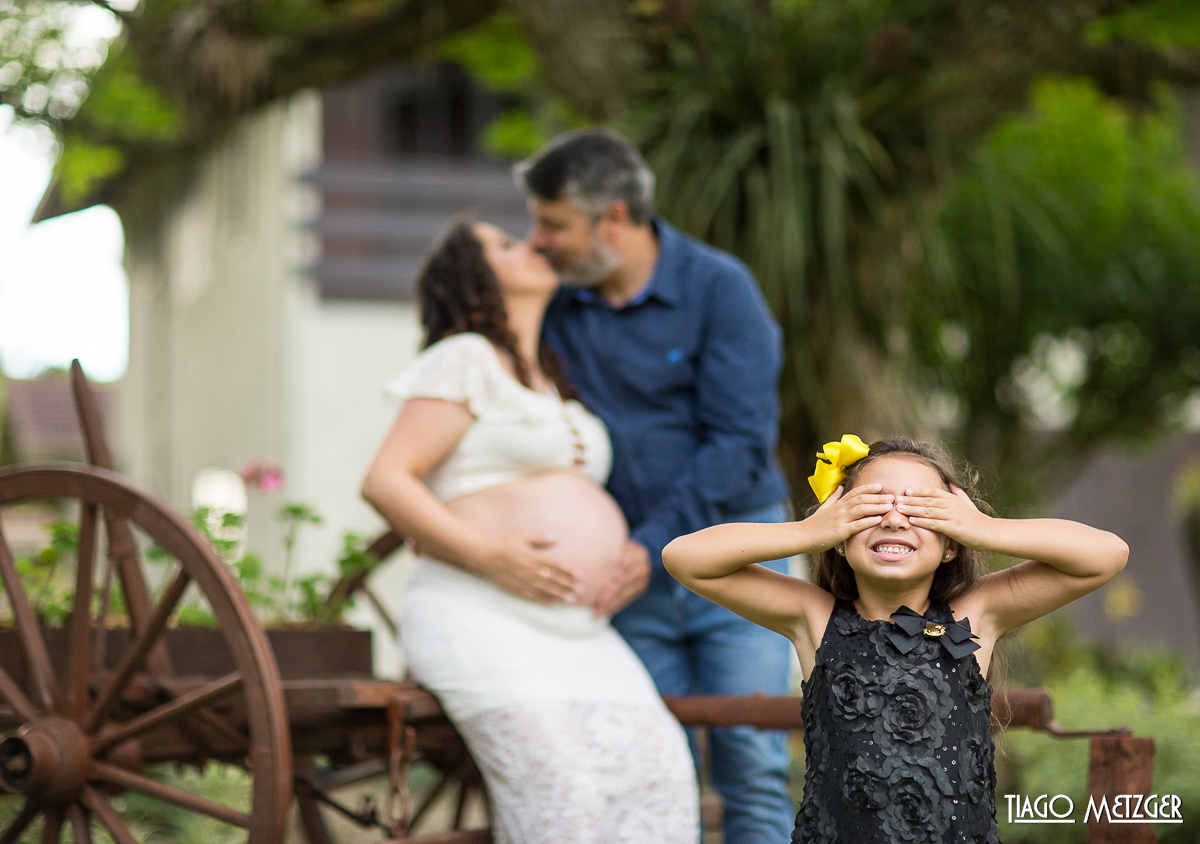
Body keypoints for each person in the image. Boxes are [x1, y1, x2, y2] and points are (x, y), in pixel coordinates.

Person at [361, 220, 699, 844]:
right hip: (478, 615)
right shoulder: (462, 357)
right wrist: (489, 555)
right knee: (563, 792)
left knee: (661, 779)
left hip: (580, 632)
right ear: (475, 278)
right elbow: (386, 481)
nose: (532, 245)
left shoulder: (553, 376)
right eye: (506, 245)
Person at [517, 128, 795, 842]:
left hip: (739, 566)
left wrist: (649, 543)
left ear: (614, 217)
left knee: (751, 765)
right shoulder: (556, 305)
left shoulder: (720, 290)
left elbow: (737, 443)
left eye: (554, 223)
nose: (539, 240)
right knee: (649, 770)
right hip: (626, 580)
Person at [662, 434, 1130, 842]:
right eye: (871, 506)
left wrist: (984, 530)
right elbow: (684, 557)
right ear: (842, 536)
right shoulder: (814, 618)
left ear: (950, 544)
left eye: (919, 508)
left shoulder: (977, 613)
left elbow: (1106, 555)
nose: (893, 519)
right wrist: (808, 532)